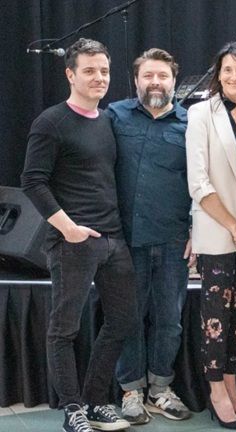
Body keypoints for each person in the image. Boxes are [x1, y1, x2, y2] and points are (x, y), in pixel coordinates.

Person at [20, 38, 135, 432]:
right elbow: (32, 181)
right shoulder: (51, 121)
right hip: (73, 242)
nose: (99, 77)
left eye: (104, 70)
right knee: (64, 328)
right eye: (89, 70)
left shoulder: (108, 121)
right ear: (70, 74)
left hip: (113, 239)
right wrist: (68, 228)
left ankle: (96, 401)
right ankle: (73, 411)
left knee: (121, 320)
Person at [106, 48, 193, 425]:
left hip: (174, 239)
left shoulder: (192, 123)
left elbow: (202, 183)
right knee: (128, 318)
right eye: (148, 76)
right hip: (125, 239)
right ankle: (131, 391)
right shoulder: (114, 116)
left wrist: (197, 231)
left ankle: (160, 388)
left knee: (169, 319)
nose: (155, 82)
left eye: (162, 76)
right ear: (136, 80)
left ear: (174, 81)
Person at [186, 41, 236, 430]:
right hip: (219, 229)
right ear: (218, 73)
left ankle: (234, 385)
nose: (234, 76)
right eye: (227, 69)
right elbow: (198, 182)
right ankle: (217, 391)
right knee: (216, 316)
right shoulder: (201, 113)